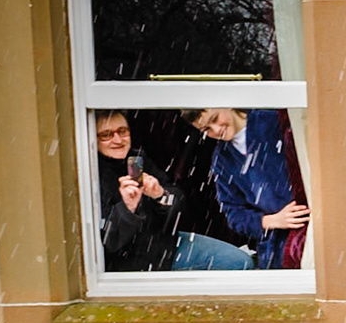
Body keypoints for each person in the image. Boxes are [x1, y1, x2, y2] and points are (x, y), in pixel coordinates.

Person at [94, 111, 253, 273]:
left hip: (165, 243)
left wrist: (160, 195)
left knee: (240, 260)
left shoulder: (136, 159)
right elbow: (108, 242)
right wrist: (128, 209)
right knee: (237, 263)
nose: (118, 140)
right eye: (106, 135)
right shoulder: (91, 174)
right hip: (134, 261)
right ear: (93, 139)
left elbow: (178, 202)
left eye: (122, 131)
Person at [186, 108, 310, 270]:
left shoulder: (275, 121)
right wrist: (270, 221)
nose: (216, 130)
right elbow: (234, 214)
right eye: (206, 129)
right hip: (276, 247)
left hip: (313, 223)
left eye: (215, 118)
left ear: (228, 105)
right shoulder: (221, 160)